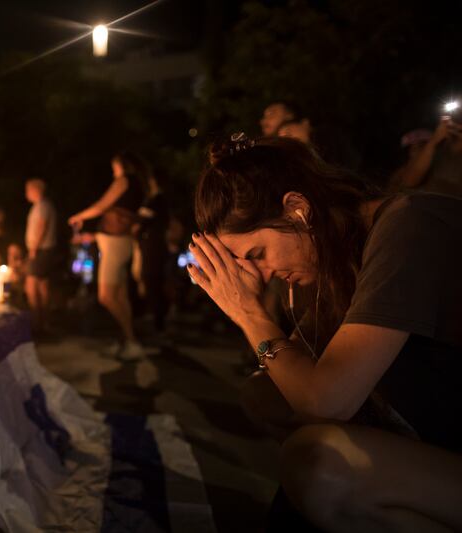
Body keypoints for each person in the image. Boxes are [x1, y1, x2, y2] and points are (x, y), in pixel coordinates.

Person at [189, 134, 462, 531]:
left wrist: (249, 314)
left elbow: (325, 400)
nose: (262, 277)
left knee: (318, 467)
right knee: (264, 394)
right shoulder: (331, 256)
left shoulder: (408, 225)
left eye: (257, 255)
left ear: (297, 208)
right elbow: (294, 380)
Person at [68, 153, 148, 360]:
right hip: (119, 243)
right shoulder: (137, 185)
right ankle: (125, 340)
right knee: (120, 296)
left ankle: (132, 342)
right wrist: (93, 235)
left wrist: (80, 216)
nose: (113, 171)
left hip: (115, 245)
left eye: (114, 166)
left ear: (121, 165)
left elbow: (103, 205)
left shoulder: (124, 180)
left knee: (106, 296)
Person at [395, 117, 462, 197]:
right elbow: (409, 182)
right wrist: (434, 141)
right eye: (412, 147)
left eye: (422, 145)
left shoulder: (444, 158)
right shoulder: (435, 150)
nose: (415, 148)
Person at [137, 173, 170, 333]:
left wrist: (137, 228)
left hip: (153, 245)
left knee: (152, 279)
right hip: (155, 245)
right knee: (153, 279)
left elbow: (142, 221)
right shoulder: (160, 201)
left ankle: (158, 320)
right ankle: (157, 317)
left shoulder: (157, 201)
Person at [24, 179, 57, 333]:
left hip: (41, 251)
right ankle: (44, 323)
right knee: (42, 286)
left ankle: (38, 323)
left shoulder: (42, 206)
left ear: (36, 190)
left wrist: (34, 248)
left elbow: (41, 226)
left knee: (32, 286)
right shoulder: (41, 206)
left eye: (28, 190)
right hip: (43, 251)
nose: (26, 193)